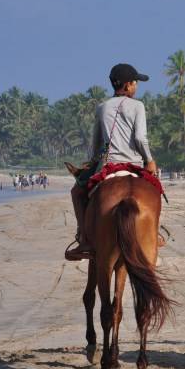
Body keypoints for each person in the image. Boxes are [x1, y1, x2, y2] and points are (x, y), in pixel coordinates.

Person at [65, 63, 157, 261]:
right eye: (135, 83)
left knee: (77, 192)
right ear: (128, 85)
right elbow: (141, 138)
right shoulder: (138, 106)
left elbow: (96, 142)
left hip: (108, 166)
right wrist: (149, 160)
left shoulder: (102, 107)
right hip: (133, 164)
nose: (137, 86)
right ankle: (154, 234)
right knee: (155, 191)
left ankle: (84, 239)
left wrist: (91, 163)